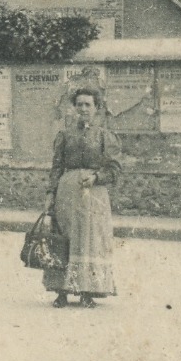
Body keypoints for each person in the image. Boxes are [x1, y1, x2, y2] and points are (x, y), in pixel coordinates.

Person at [44, 88, 121, 308]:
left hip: (93, 195)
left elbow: (114, 169)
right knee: (63, 239)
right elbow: (56, 166)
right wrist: (51, 193)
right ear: (74, 108)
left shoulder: (105, 136)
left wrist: (97, 176)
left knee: (90, 242)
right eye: (79, 105)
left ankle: (88, 291)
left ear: (97, 108)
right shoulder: (66, 135)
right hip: (66, 193)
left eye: (88, 105)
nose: (83, 109)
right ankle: (62, 293)